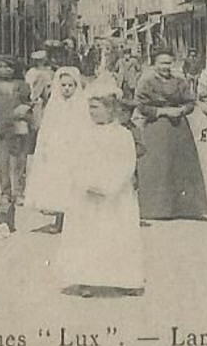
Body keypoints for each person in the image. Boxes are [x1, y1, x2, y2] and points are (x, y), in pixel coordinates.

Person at [58, 87, 144, 298]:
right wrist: (87, 183)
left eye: (96, 108)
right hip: (88, 194)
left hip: (116, 195)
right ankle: (86, 279)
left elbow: (127, 163)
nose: (92, 112)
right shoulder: (82, 133)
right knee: (88, 237)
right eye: (90, 108)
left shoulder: (123, 135)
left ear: (110, 109)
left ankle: (123, 278)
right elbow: (74, 161)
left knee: (117, 235)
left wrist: (110, 187)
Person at [132, 47, 207, 221]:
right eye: (161, 63)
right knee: (158, 166)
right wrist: (162, 111)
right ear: (154, 64)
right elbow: (141, 105)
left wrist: (181, 109)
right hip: (156, 128)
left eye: (168, 63)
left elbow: (190, 102)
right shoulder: (147, 82)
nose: (165, 67)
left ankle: (183, 208)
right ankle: (156, 208)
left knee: (180, 164)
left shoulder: (180, 82)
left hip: (179, 128)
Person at [23, 67, 87, 234]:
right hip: (57, 149)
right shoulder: (54, 105)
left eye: (70, 85)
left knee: (74, 184)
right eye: (63, 85)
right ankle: (59, 220)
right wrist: (44, 147)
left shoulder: (81, 105)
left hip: (75, 148)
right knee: (59, 184)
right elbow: (46, 128)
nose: (66, 89)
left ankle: (75, 221)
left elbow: (86, 128)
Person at [0, 55, 34, 227]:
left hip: (19, 126)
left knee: (20, 160)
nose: (5, 70)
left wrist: (27, 109)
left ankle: (19, 191)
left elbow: (28, 102)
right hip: (1, 128)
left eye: (9, 67)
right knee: (3, 161)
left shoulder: (22, 85)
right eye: (0, 67)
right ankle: (5, 191)